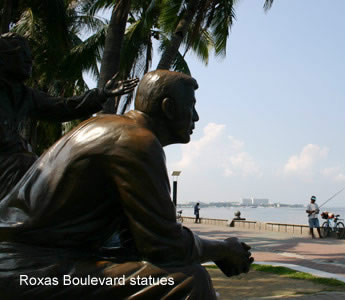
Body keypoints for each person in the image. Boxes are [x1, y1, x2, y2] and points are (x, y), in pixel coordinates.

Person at [0, 70, 253, 299]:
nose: (196, 117)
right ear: (168, 108)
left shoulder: (109, 126)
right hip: (25, 269)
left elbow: (137, 242)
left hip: (29, 260)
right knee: (187, 282)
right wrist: (224, 249)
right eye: (192, 107)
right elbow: (165, 246)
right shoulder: (135, 142)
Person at [0, 32, 138, 199]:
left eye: (29, 56)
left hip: (15, 160)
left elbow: (64, 107)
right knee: (26, 168)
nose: (30, 61)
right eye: (21, 55)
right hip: (11, 164)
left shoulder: (25, 95)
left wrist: (101, 94)